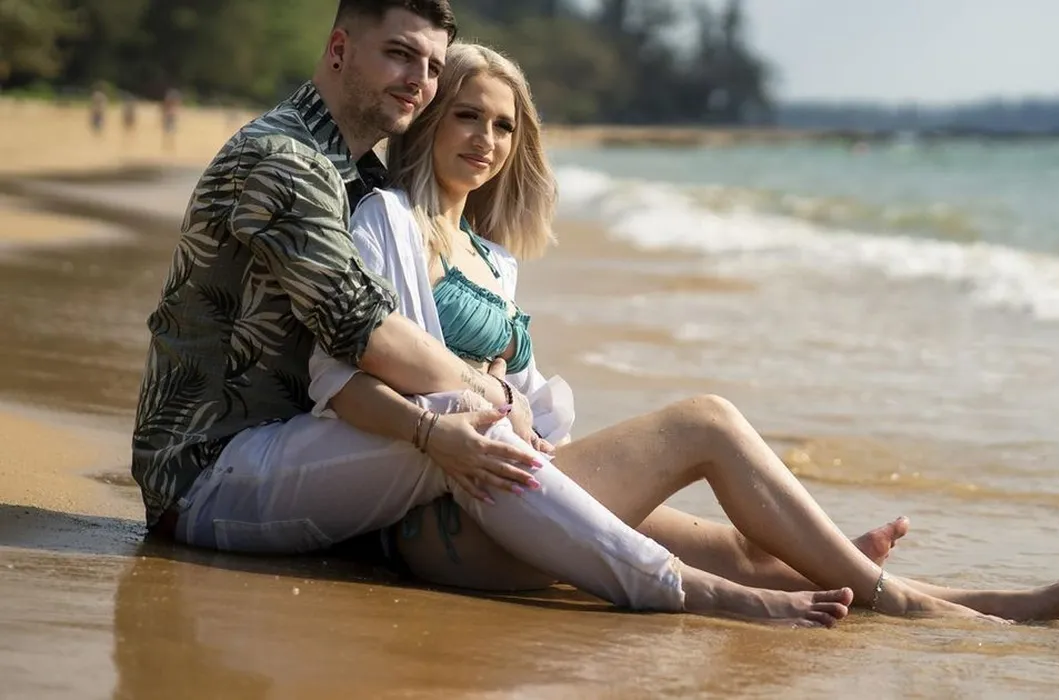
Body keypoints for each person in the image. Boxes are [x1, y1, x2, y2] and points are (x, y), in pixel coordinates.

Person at [312, 42, 1059, 624]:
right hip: (444, 520)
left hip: (518, 494)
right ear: (428, 121)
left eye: (503, 126)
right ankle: (899, 600)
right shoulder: (389, 222)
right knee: (705, 421)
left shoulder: (492, 259)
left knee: (744, 553)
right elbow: (361, 369)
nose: (485, 141)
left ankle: (976, 602)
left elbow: (521, 400)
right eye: (466, 116)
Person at [130, 1, 851, 628]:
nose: (417, 79)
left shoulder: (360, 176)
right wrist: (494, 396)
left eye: (430, 65)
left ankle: (830, 572)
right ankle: (687, 588)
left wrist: (496, 401)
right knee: (472, 418)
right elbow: (362, 332)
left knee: (496, 430)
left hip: (310, 462)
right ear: (340, 48)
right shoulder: (287, 162)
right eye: (399, 54)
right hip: (207, 473)